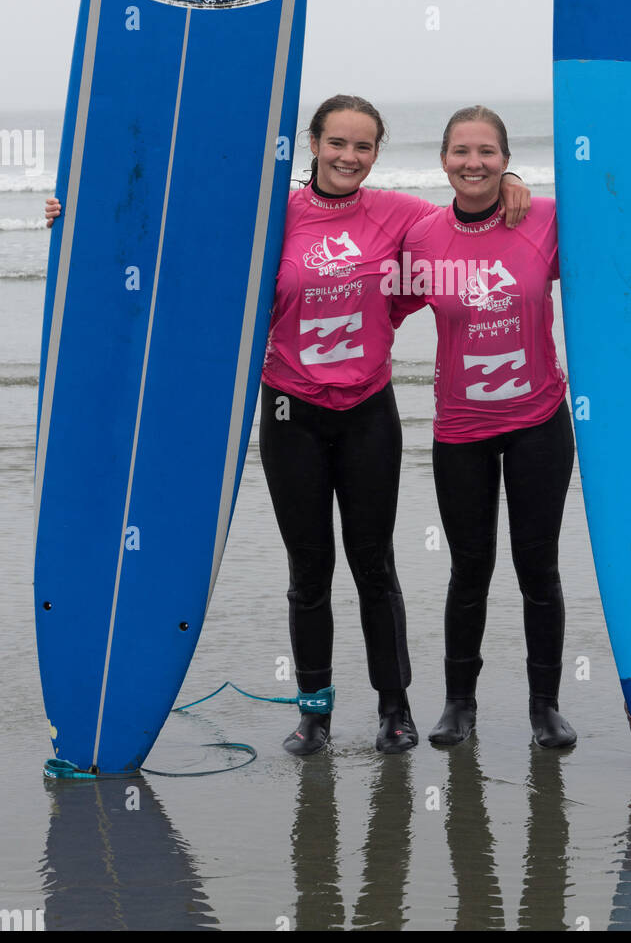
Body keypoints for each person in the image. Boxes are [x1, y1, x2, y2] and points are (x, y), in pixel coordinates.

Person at [44, 95, 531, 758]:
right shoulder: (273, 215)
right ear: (312, 143)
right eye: (337, 143)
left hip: (368, 414)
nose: (348, 157)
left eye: (362, 146)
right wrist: (85, 221)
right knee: (308, 570)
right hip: (288, 413)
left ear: (376, 154)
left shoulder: (396, 213)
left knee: (373, 566)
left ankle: (394, 709)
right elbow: (176, 243)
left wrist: (508, 185)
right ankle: (314, 715)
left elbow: (466, 223)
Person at [390, 106, 631, 751]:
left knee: (538, 567)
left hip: (537, 423)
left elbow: (626, 253)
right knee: (469, 569)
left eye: (487, 152)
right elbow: (371, 303)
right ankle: (458, 705)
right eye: (461, 152)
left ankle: (544, 708)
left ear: (506, 159)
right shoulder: (424, 239)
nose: (474, 163)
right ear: (442, 160)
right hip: (461, 430)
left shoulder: (545, 220)